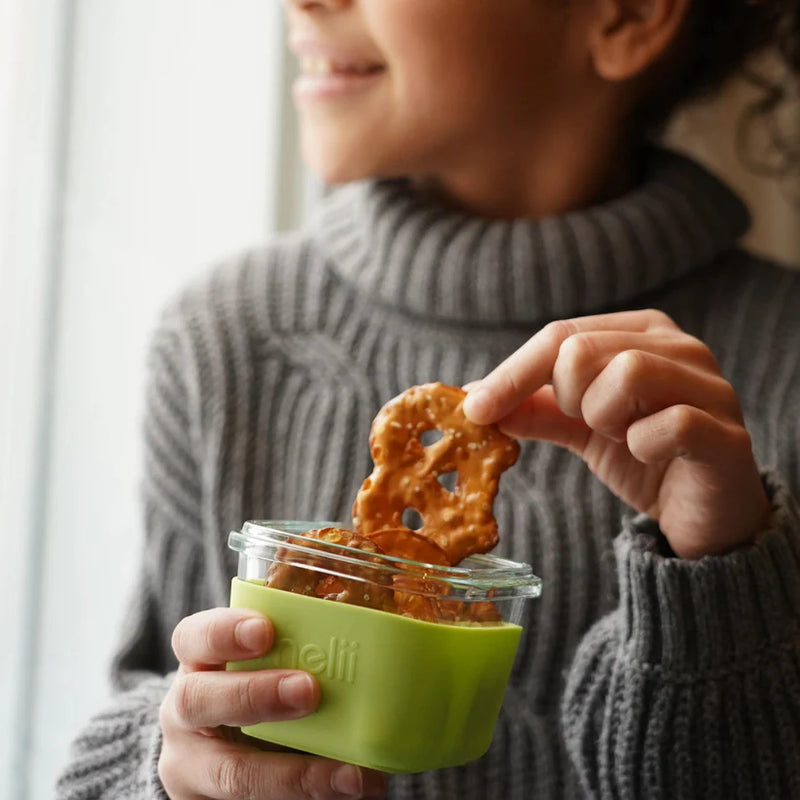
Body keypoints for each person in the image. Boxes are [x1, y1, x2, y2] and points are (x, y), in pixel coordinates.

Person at [56, 0, 800, 798]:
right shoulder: (223, 339)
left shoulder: (778, 371)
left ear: (625, 16)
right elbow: (149, 697)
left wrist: (719, 572)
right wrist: (171, 768)